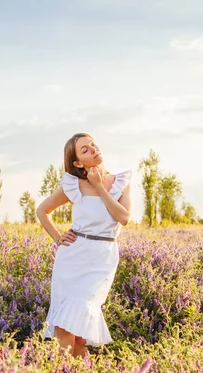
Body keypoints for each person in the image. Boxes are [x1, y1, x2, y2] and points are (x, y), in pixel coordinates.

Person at [36, 133, 132, 358]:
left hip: (102, 259)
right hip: (72, 258)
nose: (93, 149)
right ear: (78, 163)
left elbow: (124, 218)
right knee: (70, 329)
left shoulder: (121, 182)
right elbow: (42, 211)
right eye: (85, 150)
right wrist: (58, 238)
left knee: (79, 317)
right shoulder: (73, 185)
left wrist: (99, 187)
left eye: (92, 145)